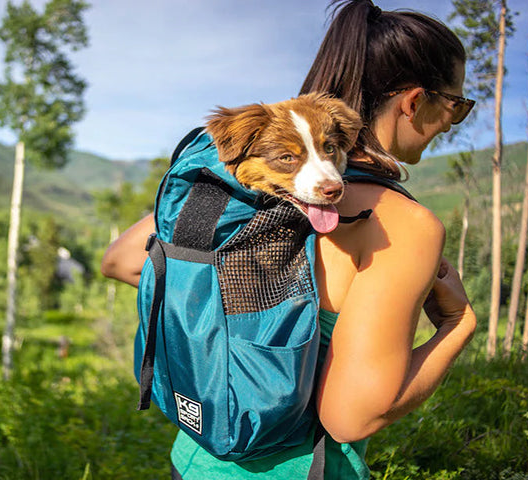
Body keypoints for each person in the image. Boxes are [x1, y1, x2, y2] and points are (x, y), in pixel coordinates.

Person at [101, 1, 477, 478]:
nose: (451, 121)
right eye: (457, 106)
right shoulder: (400, 223)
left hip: (196, 458)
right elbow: (350, 418)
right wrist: (458, 325)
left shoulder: (232, 196)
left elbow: (121, 261)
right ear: (413, 101)